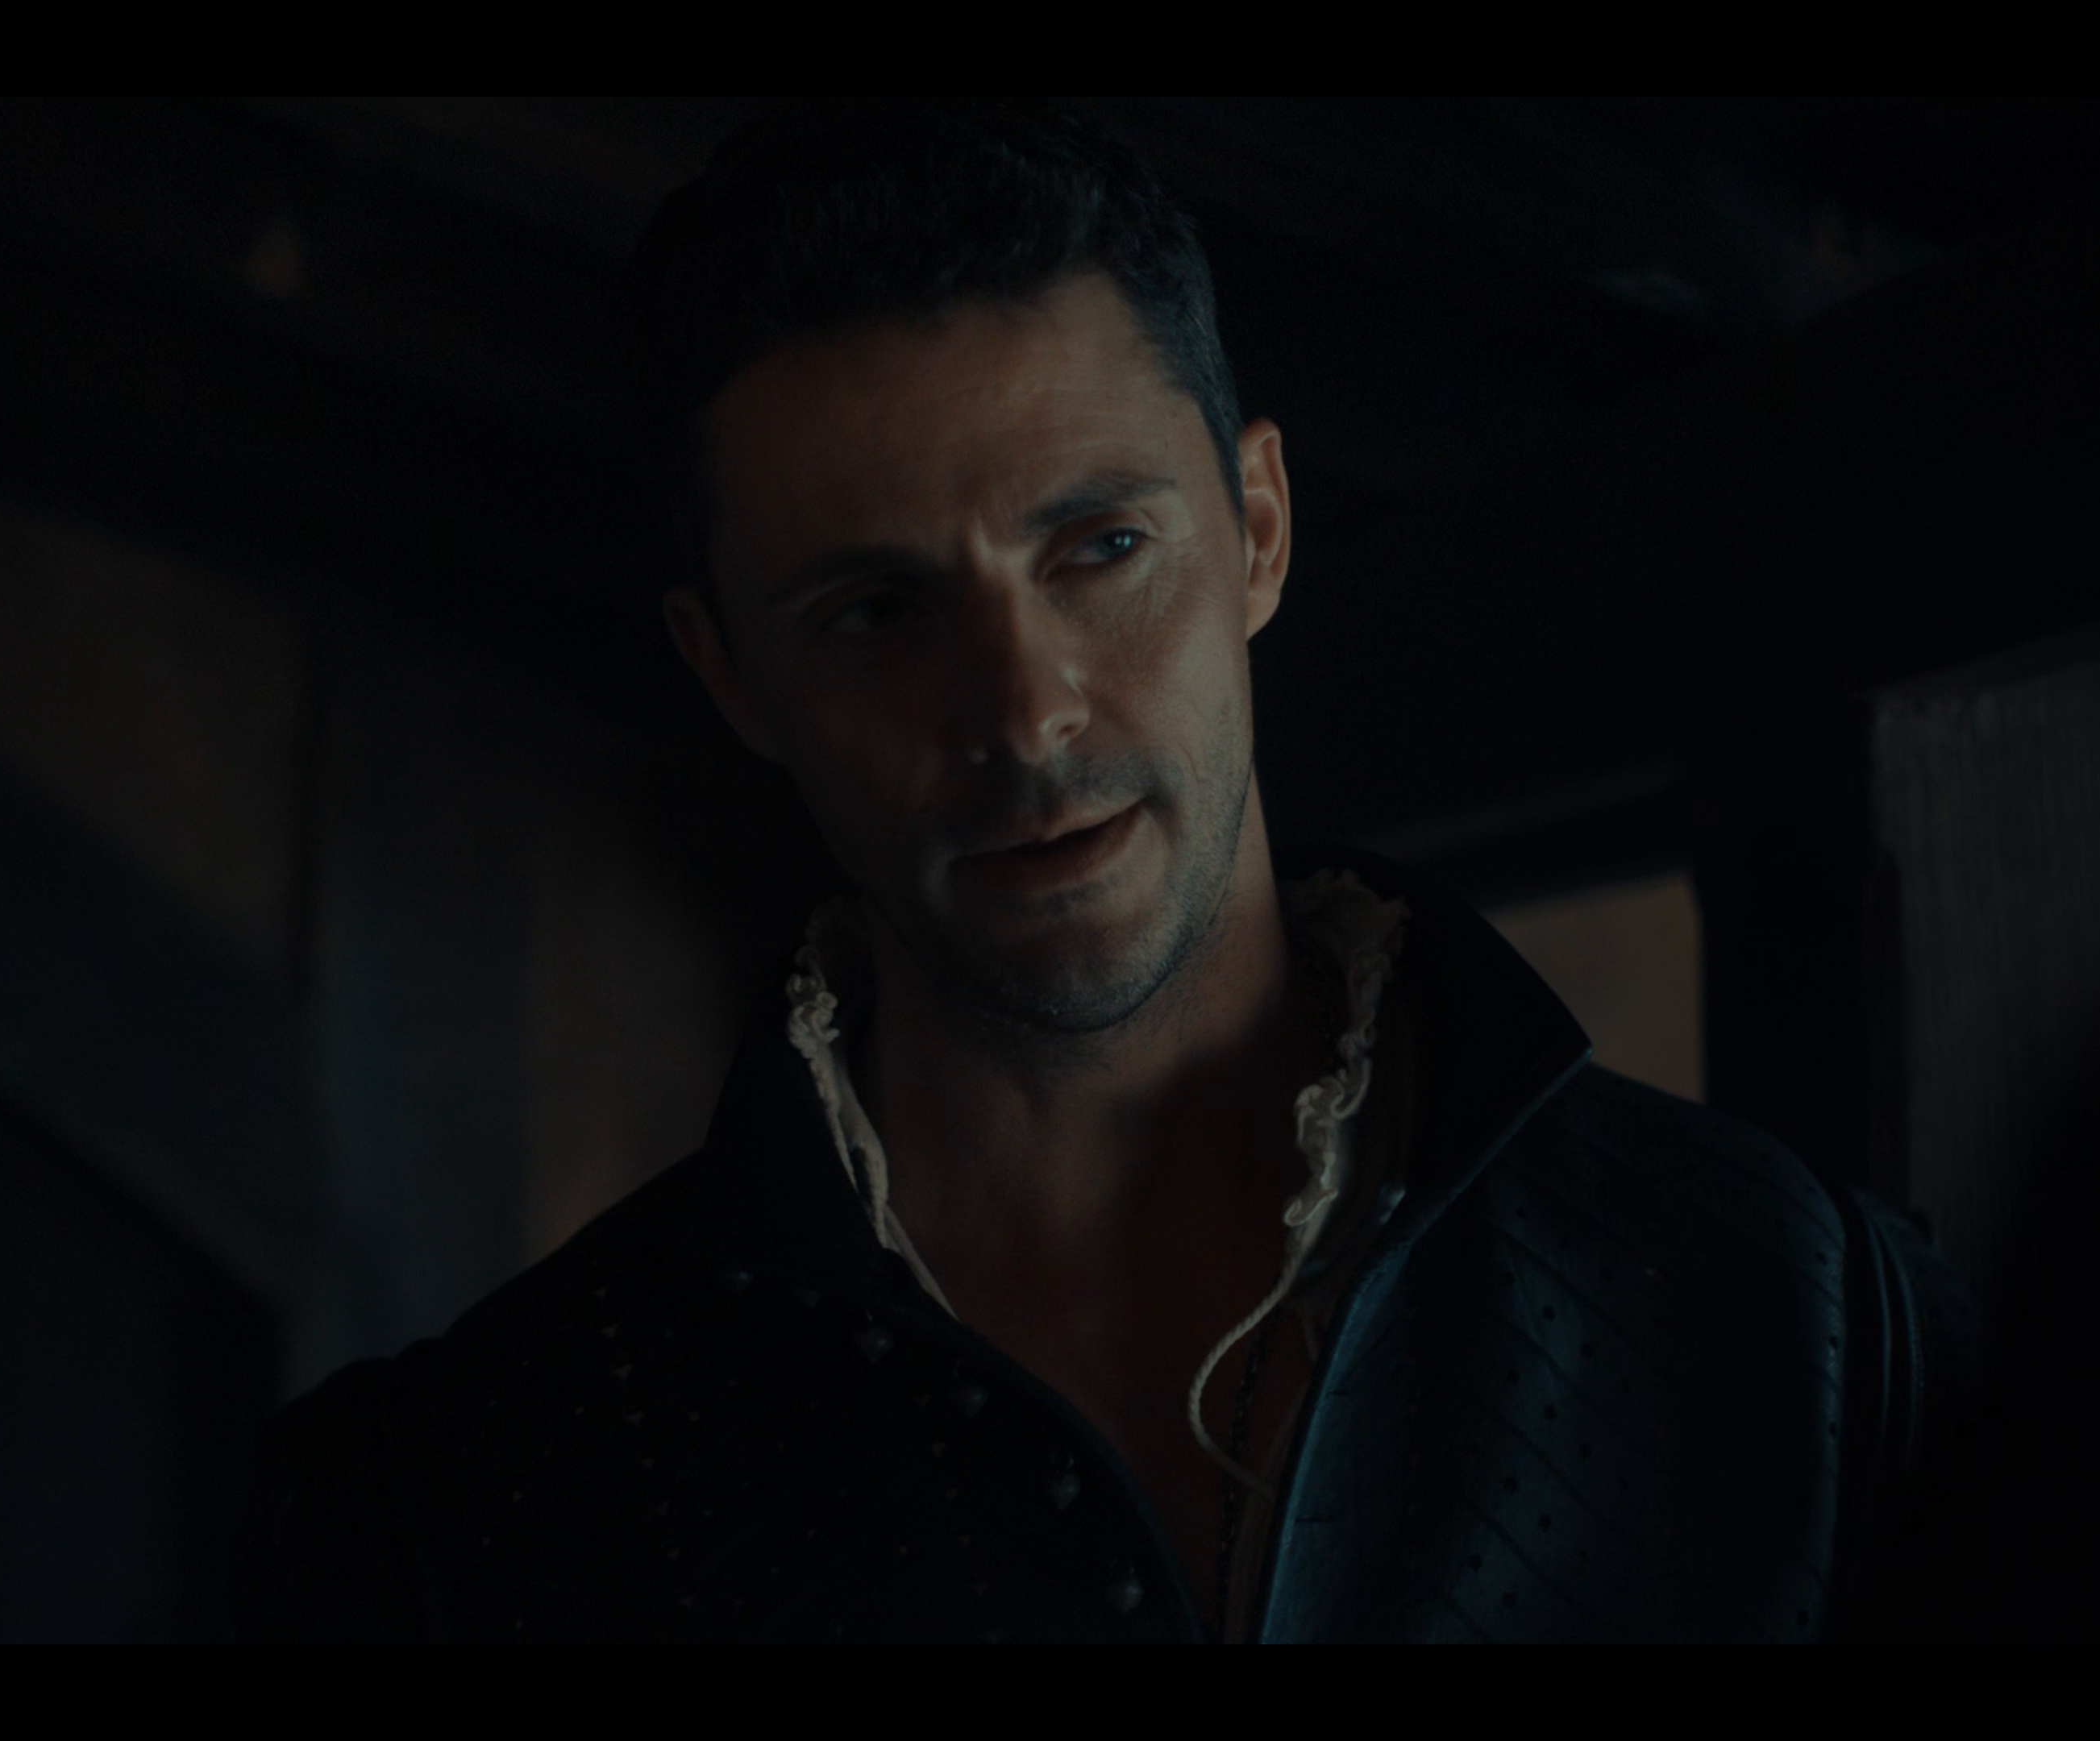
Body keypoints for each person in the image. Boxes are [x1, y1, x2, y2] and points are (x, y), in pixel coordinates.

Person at [232, 104, 1964, 1643]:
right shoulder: (463, 1496)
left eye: (1104, 545)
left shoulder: (1801, 1314)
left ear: (1258, 528)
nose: (1024, 711)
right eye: (876, 611)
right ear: (732, 676)